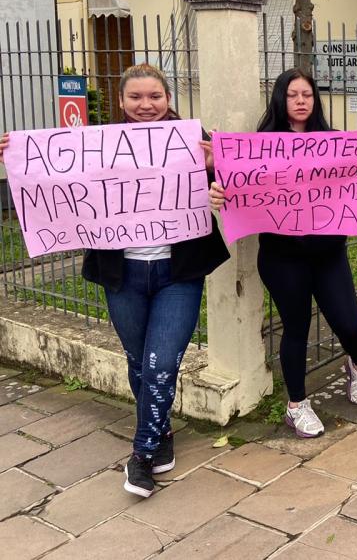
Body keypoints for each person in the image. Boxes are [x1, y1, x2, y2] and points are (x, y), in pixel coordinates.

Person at [1, 64, 231, 498]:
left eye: (155, 97)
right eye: (136, 98)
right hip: (121, 274)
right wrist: (15, 160)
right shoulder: (95, 146)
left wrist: (217, 167)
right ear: (121, 101)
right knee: (137, 360)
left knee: (161, 364)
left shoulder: (191, 140)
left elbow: (229, 191)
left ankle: (141, 456)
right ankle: (161, 432)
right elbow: (52, 181)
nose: (146, 106)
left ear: (167, 98)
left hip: (177, 274)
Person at [209, 68, 357, 438]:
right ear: (281, 99)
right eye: (293, 94)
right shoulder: (259, 146)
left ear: (315, 100)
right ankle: (296, 405)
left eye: (308, 95)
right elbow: (234, 186)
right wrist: (220, 196)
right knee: (295, 327)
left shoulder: (334, 143)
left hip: (329, 254)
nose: (301, 101)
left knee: (350, 325)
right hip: (283, 259)